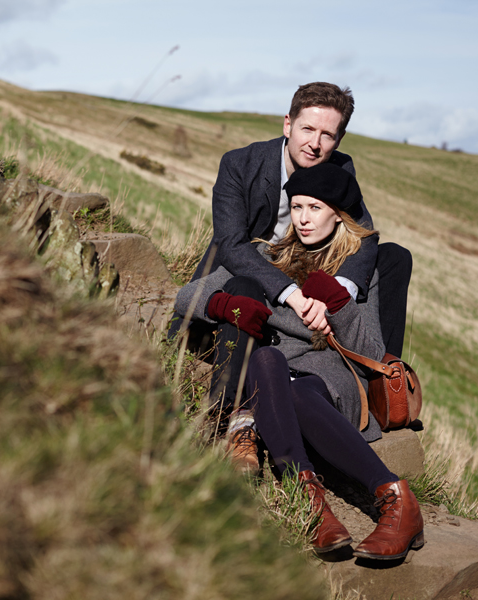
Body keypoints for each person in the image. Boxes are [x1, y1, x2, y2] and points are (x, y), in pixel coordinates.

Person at [174, 163, 424, 560]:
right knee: (269, 360)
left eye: (315, 208)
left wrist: (340, 305)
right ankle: (314, 501)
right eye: (297, 207)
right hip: (270, 371)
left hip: (332, 378)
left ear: (338, 214)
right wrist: (227, 304)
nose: (304, 219)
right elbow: (185, 297)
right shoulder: (264, 255)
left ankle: (393, 497)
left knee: (298, 388)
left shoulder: (359, 269)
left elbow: (374, 353)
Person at [170, 82, 412, 442]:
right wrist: (292, 294)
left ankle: (382, 381)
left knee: (394, 257)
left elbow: (363, 234)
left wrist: (336, 293)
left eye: (327, 134)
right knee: (245, 286)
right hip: (245, 285)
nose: (315, 143)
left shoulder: (341, 167)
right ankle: (227, 413)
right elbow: (233, 245)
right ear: (288, 125)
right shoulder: (239, 164)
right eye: (307, 129)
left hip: (307, 287)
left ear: (339, 140)